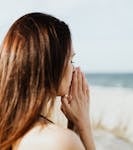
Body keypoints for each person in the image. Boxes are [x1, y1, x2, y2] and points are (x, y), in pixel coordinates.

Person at [0, 12, 95, 150]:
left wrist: (73, 124)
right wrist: (84, 126)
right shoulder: (59, 141)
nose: (74, 69)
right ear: (51, 64)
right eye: (70, 60)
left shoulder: (10, 128)